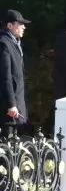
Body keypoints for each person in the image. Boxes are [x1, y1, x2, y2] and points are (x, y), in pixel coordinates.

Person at [0, 9, 29, 137]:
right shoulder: (4, 43)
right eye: (20, 23)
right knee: (8, 148)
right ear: (10, 25)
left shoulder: (14, 42)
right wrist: (11, 104)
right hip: (9, 108)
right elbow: (5, 76)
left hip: (17, 103)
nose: (24, 27)